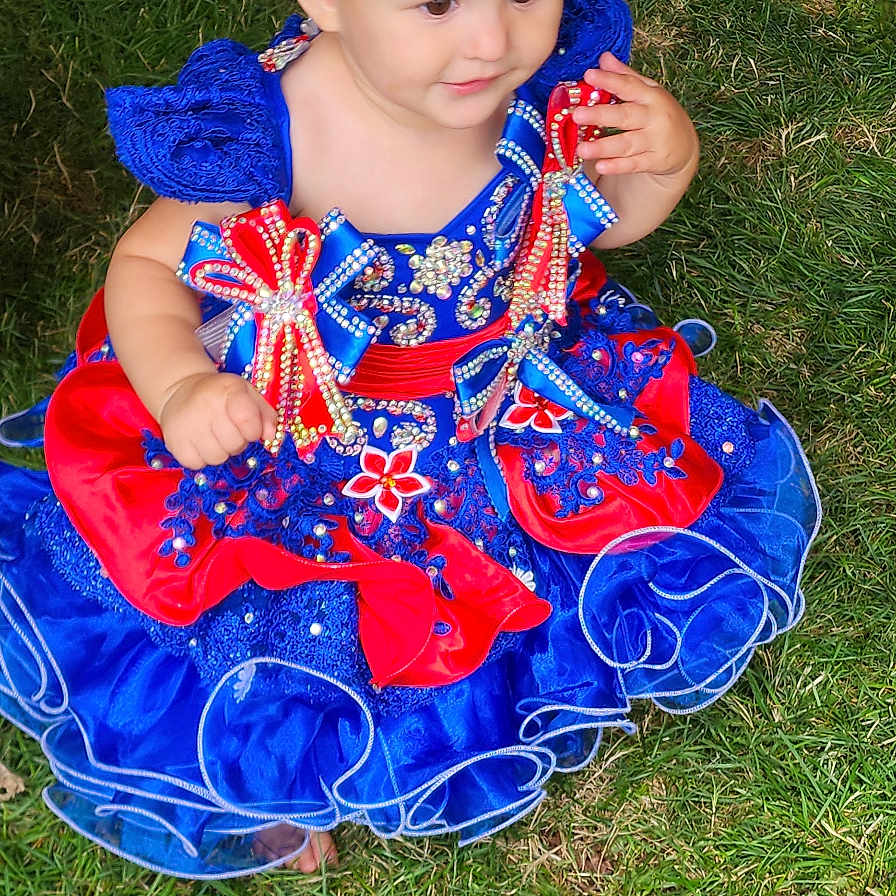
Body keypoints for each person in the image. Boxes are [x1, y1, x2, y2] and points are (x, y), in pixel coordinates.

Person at [0, 0, 820, 880]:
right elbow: (148, 265)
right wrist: (181, 386)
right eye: (434, 3)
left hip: (509, 387)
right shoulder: (272, 130)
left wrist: (664, 166)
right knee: (289, 618)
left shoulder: (541, 85)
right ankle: (272, 772)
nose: (491, 37)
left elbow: (591, 216)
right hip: (319, 430)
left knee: (594, 527)